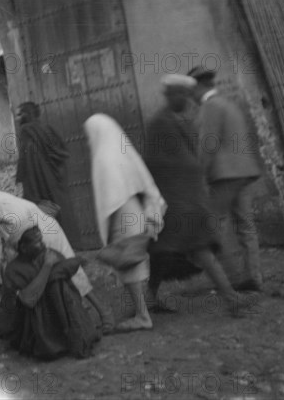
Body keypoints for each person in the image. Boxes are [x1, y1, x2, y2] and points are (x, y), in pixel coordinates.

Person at [0, 181, 115, 334]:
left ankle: (104, 314)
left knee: (70, 271)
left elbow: (17, 226)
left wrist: (11, 250)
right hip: (30, 237)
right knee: (47, 277)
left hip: (42, 234)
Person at [145, 74, 245, 312]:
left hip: (186, 200)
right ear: (170, 96)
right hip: (175, 202)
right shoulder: (161, 123)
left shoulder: (178, 120)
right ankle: (231, 299)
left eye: (187, 95)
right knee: (185, 251)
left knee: (173, 252)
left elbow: (191, 158)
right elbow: (158, 163)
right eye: (180, 95)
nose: (186, 100)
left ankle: (148, 298)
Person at [84, 113, 166, 332]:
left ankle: (142, 316)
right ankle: (144, 307)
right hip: (135, 211)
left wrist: (107, 231)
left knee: (128, 264)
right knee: (135, 262)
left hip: (122, 215)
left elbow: (109, 198)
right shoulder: (121, 149)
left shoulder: (103, 157)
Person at [188, 66, 264, 291]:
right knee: (246, 227)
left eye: (192, 91)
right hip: (245, 172)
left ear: (200, 87)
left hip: (224, 175)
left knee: (215, 226)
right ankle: (255, 278)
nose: (191, 97)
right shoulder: (230, 104)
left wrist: (199, 175)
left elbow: (208, 145)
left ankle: (235, 280)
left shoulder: (210, 107)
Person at [4, 226, 101, 359]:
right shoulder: (12, 270)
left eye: (41, 240)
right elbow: (28, 300)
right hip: (31, 320)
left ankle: (72, 335)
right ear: (23, 248)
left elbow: (65, 276)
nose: (43, 244)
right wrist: (47, 266)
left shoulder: (48, 254)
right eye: (37, 242)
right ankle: (54, 342)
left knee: (59, 284)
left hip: (56, 306)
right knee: (54, 280)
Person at [15, 101, 81, 245]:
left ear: (27, 115)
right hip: (54, 183)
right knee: (60, 212)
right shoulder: (47, 129)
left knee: (42, 217)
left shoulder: (26, 132)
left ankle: (53, 249)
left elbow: (25, 162)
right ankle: (70, 247)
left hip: (36, 186)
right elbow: (61, 153)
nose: (17, 118)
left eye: (20, 114)